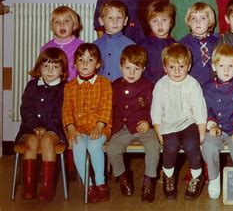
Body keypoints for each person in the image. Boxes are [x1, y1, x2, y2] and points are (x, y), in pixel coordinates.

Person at [150, 43, 207, 200]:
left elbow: (199, 109)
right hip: (168, 124)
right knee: (170, 146)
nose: (176, 71)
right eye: (172, 67)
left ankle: (197, 176)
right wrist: (158, 130)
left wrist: (201, 132)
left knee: (191, 144)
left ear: (188, 66)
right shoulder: (161, 85)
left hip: (189, 123)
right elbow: (156, 109)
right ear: (165, 67)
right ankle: (168, 176)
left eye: (181, 66)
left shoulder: (192, 84)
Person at [106, 45, 160, 203]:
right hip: (121, 128)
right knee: (112, 149)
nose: (131, 73)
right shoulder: (114, 86)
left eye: (136, 69)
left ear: (143, 69)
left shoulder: (147, 86)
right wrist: (109, 128)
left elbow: (154, 108)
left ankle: (149, 180)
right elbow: (110, 108)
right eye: (127, 68)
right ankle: (122, 176)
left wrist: (148, 122)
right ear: (120, 66)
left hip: (142, 127)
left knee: (153, 146)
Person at [15, 48, 68, 201]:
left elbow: (61, 112)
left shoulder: (65, 88)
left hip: (54, 129)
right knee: (31, 142)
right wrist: (34, 126)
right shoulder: (32, 86)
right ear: (39, 68)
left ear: (62, 70)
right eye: (46, 66)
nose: (50, 70)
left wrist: (48, 128)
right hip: (30, 128)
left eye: (55, 67)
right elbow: (26, 109)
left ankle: (47, 187)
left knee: (47, 141)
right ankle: (29, 187)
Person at [62, 43, 113, 203]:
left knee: (94, 145)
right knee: (77, 145)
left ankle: (100, 183)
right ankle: (88, 185)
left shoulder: (104, 83)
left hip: (100, 127)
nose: (85, 63)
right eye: (81, 59)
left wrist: (99, 125)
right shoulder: (69, 87)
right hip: (77, 128)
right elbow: (66, 110)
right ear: (75, 64)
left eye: (90, 59)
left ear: (98, 64)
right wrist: (70, 129)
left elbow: (106, 107)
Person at [201, 44, 233, 199]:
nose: (226, 70)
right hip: (217, 128)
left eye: (230, 66)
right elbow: (207, 108)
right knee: (208, 146)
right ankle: (214, 179)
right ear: (214, 66)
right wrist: (212, 124)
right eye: (221, 66)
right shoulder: (207, 87)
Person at [93, 0, 134, 82]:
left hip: (121, 88)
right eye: (110, 18)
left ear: (125, 21)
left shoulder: (131, 46)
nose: (115, 22)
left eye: (119, 18)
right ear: (101, 21)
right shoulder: (95, 45)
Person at [41, 6, 83, 81]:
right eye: (57, 22)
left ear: (74, 25)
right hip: (53, 87)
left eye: (66, 21)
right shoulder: (47, 48)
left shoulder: (80, 46)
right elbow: (40, 69)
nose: (62, 25)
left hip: (74, 87)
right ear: (52, 27)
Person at [180, 2, 218, 86]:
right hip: (190, 85)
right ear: (189, 22)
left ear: (209, 22)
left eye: (203, 18)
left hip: (212, 86)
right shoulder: (183, 44)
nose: (198, 22)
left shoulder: (217, 43)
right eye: (193, 18)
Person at [138, 2, 176, 84]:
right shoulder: (143, 45)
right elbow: (140, 67)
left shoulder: (175, 45)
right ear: (149, 23)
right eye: (155, 21)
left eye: (164, 20)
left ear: (171, 22)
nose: (160, 24)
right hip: (149, 85)